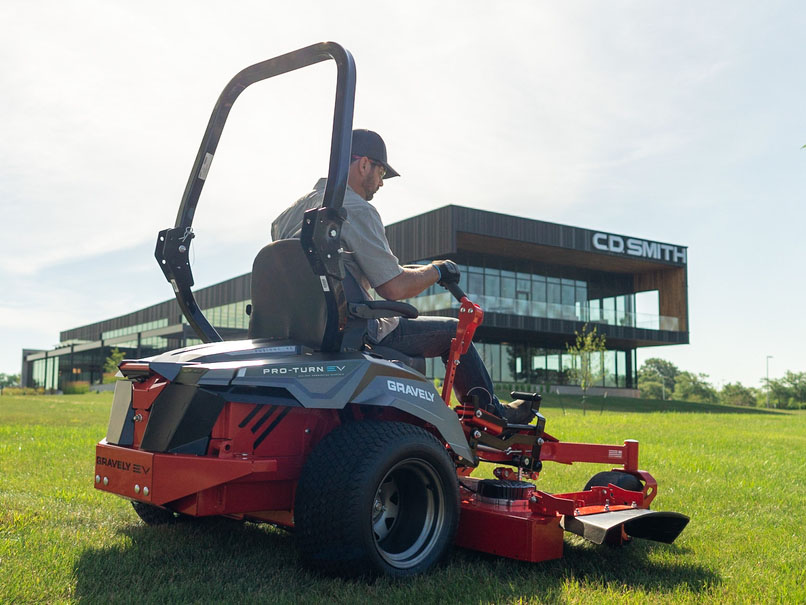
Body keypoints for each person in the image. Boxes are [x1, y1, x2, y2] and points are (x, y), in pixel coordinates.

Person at [271, 129, 533, 424]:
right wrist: (437, 271)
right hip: (352, 329)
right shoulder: (355, 209)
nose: (381, 182)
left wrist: (416, 271)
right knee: (454, 331)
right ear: (364, 164)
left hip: (301, 330)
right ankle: (490, 415)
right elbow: (394, 287)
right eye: (381, 172)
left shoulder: (291, 213)